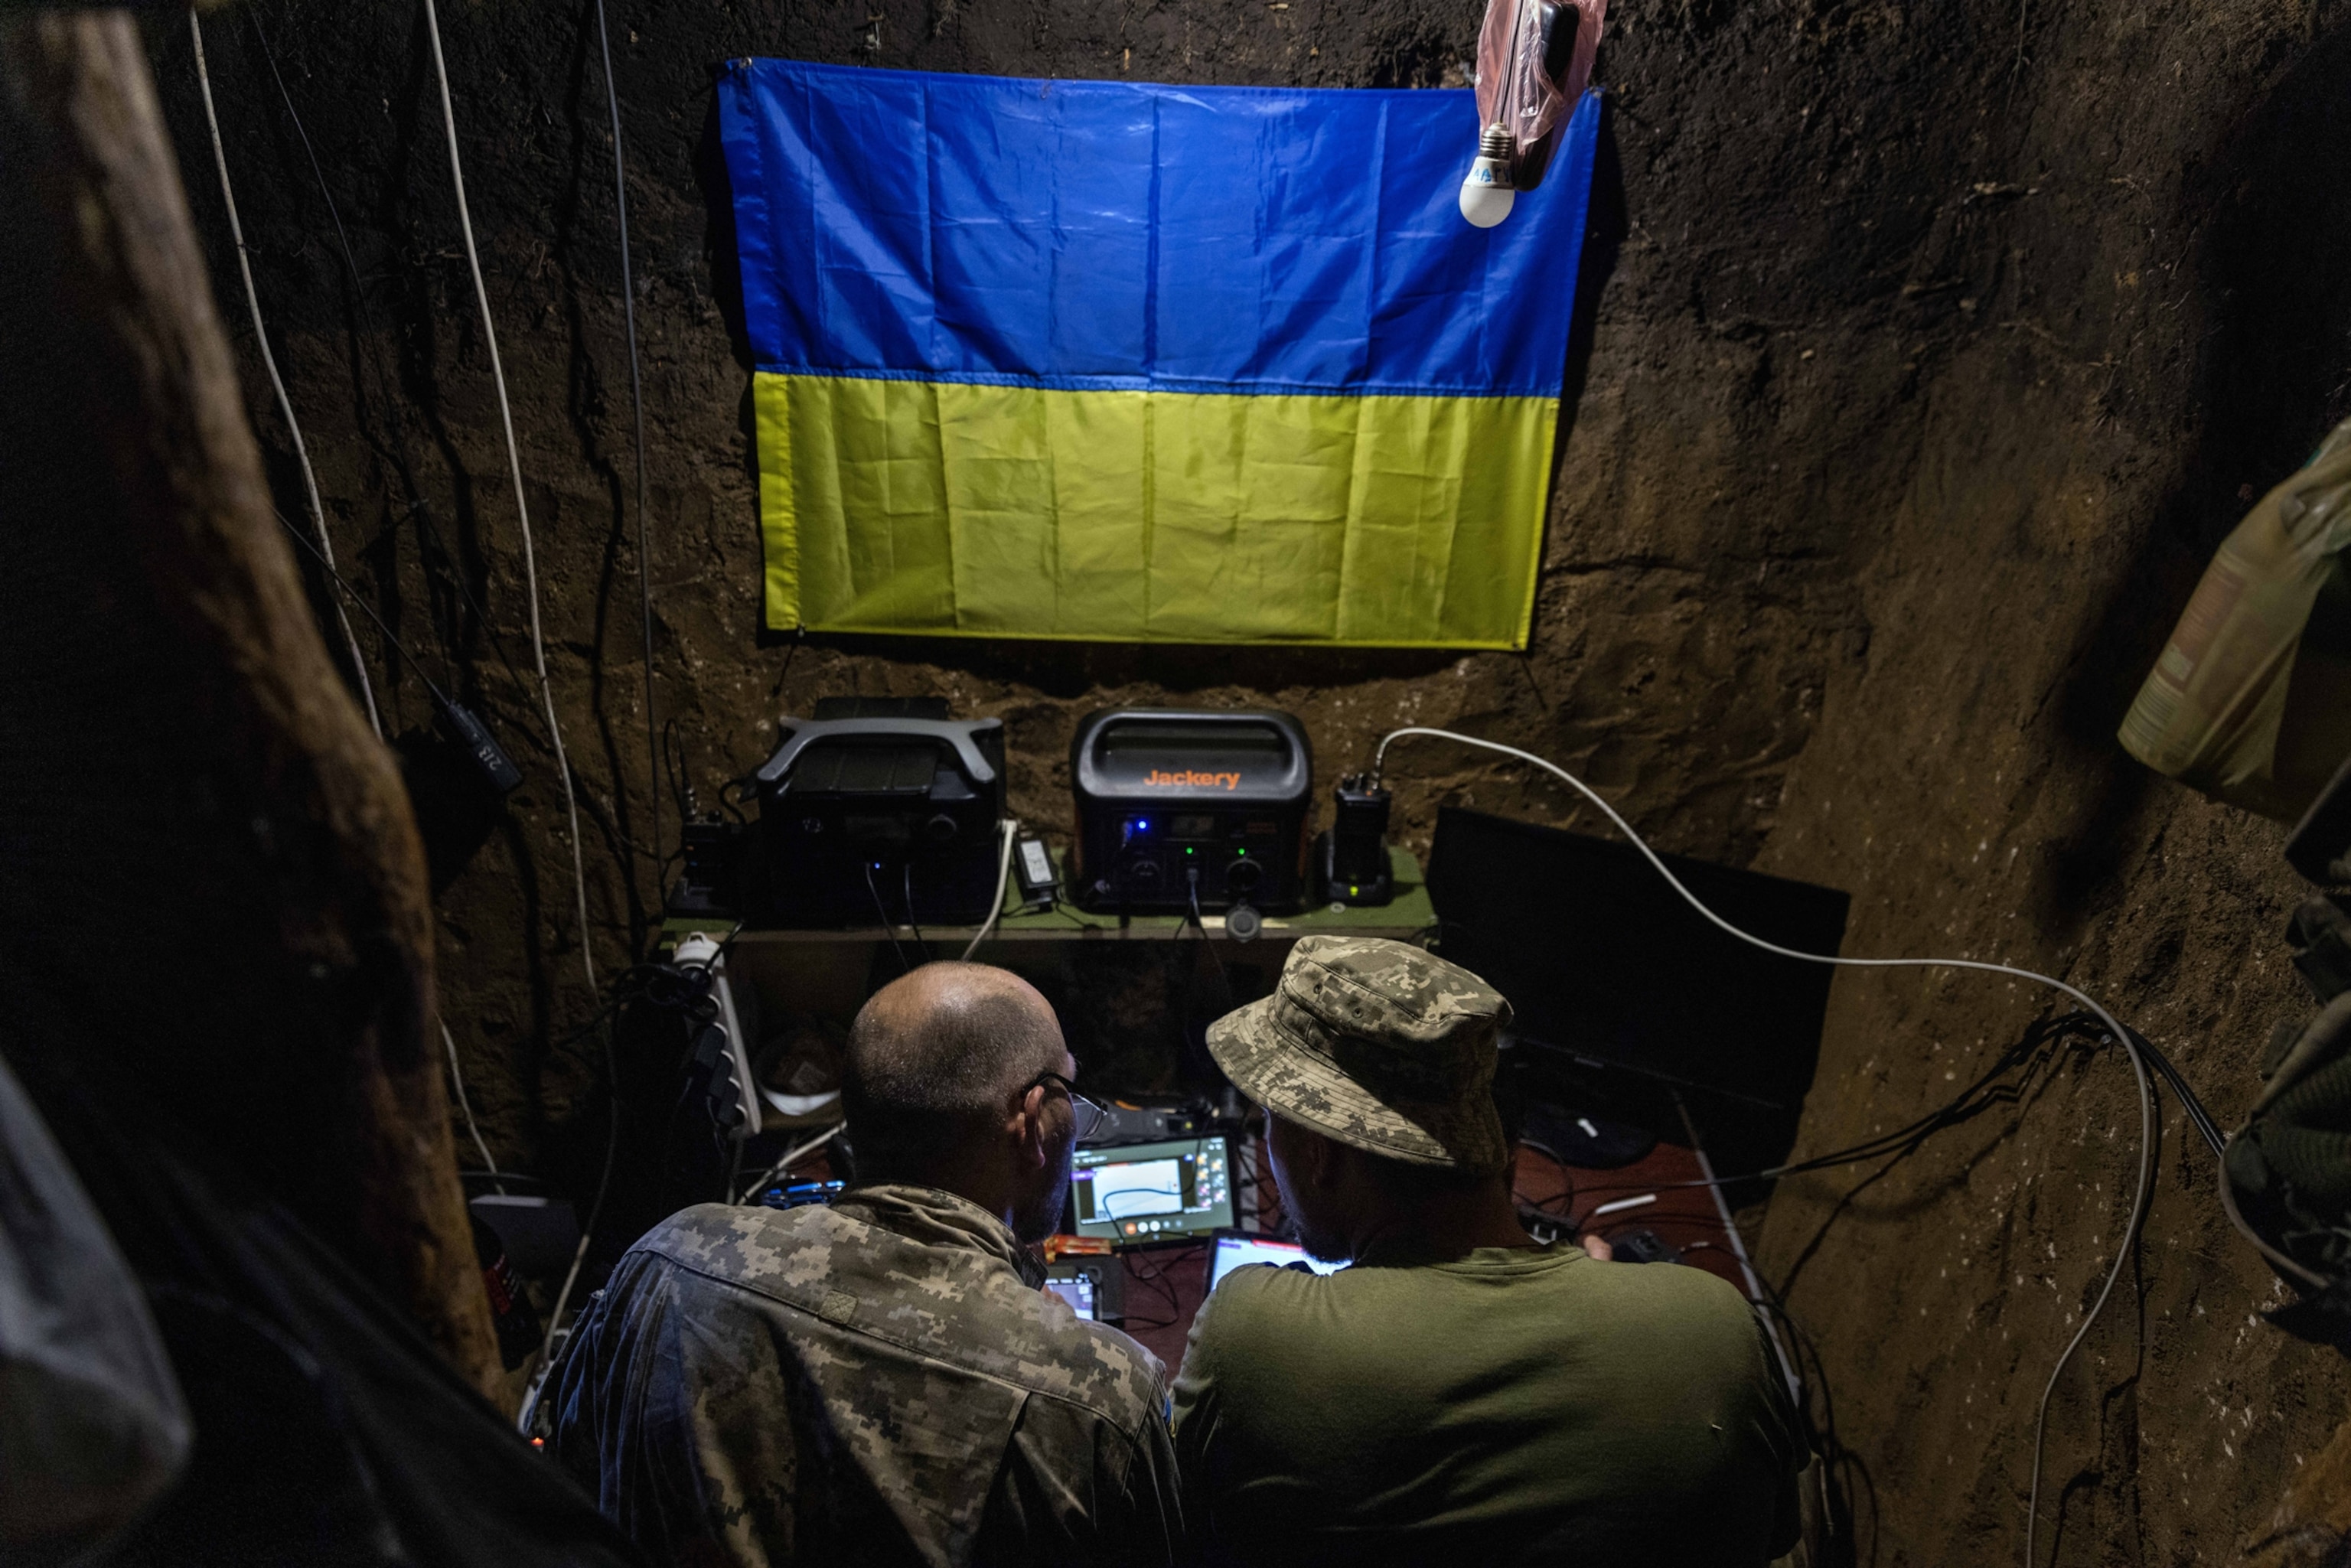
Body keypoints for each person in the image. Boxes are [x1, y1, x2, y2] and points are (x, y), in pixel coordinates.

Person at [1172, 937, 1804, 1566]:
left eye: (1270, 1123)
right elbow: (1774, 1536)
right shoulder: (1715, 1328)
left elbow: (1178, 1537)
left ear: (1319, 1152)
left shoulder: (1251, 1335)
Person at [549, 961, 1183, 1567]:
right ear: (1031, 1122)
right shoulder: (1103, 1392)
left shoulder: (665, 1258)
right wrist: (1053, 1353)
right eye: (1069, 1094)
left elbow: (561, 1471)